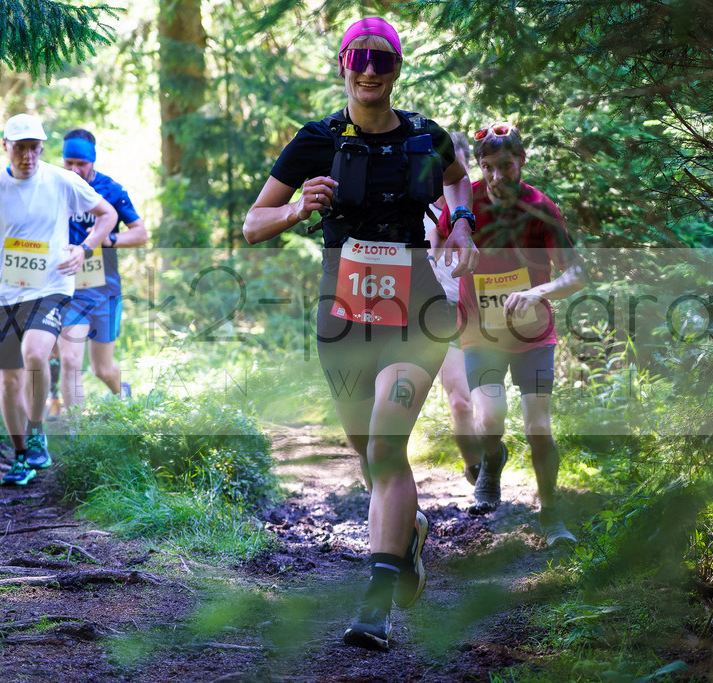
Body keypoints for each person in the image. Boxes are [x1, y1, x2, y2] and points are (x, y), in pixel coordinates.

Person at [243, 17, 478, 651]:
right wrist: (297, 207)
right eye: (360, 59)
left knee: (384, 444)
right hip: (342, 308)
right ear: (343, 65)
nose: (371, 70)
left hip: (416, 308)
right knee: (370, 451)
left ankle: (376, 601)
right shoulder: (315, 140)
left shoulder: (426, 135)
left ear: (397, 69)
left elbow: (458, 177)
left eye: (383, 60)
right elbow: (252, 224)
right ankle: (409, 533)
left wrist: (458, 222)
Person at [436, 122, 584, 548]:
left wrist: (539, 290)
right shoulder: (467, 204)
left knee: (539, 425)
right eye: (487, 168)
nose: (497, 177)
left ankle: (551, 515)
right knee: (490, 417)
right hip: (480, 334)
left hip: (534, 335)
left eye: (506, 166)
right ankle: (493, 459)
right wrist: (458, 252)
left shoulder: (541, 207)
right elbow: (441, 246)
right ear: (479, 167)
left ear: (521, 161)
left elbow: (578, 272)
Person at [0, 113, 115, 485]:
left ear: (43, 148)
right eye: (21, 148)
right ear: (6, 147)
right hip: (3, 293)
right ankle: (22, 453)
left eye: (35, 149)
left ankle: (37, 428)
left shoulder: (61, 180)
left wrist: (85, 248)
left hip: (51, 288)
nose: (28, 156)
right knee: (10, 382)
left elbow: (106, 214)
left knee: (36, 353)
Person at [58, 128, 148, 409]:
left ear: (93, 161)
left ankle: (123, 392)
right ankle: (76, 435)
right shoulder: (53, 187)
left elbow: (141, 234)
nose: (74, 170)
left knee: (101, 368)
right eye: (68, 163)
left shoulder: (111, 191)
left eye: (81, 164)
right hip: (68, 287)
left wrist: (108, 240)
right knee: (71, 360)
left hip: (105, 290)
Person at [424, 131, 483, 484]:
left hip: (479, 312)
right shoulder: (411, 211)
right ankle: (476, 468)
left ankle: (487, 456)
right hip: (437, 311)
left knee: (485, 401)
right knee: (460, 400)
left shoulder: (476, 210)